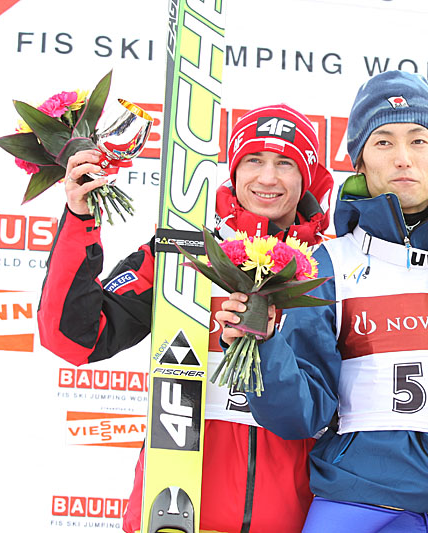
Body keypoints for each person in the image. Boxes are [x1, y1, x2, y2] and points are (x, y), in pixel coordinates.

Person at [217, 70, 428, 533]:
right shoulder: (326, 265)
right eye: (383, 142)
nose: (403, 158)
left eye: (418, 140)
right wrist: (264, 347)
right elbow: (300, 416)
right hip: (358, 503)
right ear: (359, 161)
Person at [37, 104, 334, 533]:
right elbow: (73, 338)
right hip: (174, 512)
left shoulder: (329, 268)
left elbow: (319, 406)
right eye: (253, 160)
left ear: (306, 176)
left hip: (289, 519)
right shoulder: (183, 251)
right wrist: (80, 218)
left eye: (285, 163)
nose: (267, 178)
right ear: (234, 170)